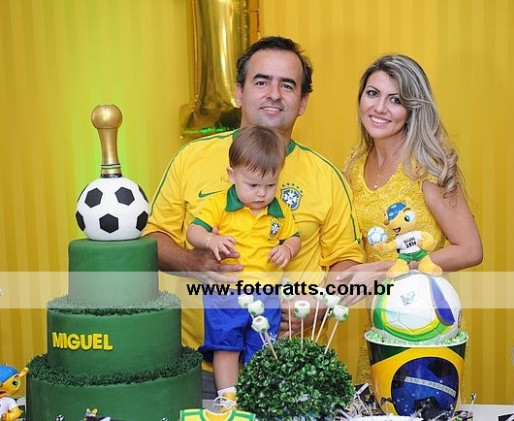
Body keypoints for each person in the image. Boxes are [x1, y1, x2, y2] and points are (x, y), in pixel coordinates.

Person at [144, 36, 365, 398]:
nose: (273, 94)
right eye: (261, 81)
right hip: (200, 370)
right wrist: (193, 261)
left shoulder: (326, 177)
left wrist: (320, 305)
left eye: (287, 85)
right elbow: (153, 241)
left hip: (291, 367)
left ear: (303, 102)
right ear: (239, 92)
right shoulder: (191, 159)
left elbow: (349, 261)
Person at [338, 54, 483, 382]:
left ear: (412, 109)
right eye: (373, 93)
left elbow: (470, 249)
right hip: (379, 324)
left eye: (395, 100)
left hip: (425, 323)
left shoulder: (427, 166)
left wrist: (384, 269)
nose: (380, 108)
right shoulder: (354, 165)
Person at [186, 125, 301, 408]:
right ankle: (228, 400)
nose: (262, 193)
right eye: (253, 185)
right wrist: (211, 240)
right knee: (226, 346)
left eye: (270, 186)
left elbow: (294, 236)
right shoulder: (218, 205)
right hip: (226, 294)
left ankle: (256, 399)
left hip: (266, 295)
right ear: (231, 175)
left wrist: (287, 248)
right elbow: (193, 232)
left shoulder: (279, 211)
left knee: (263, 347)